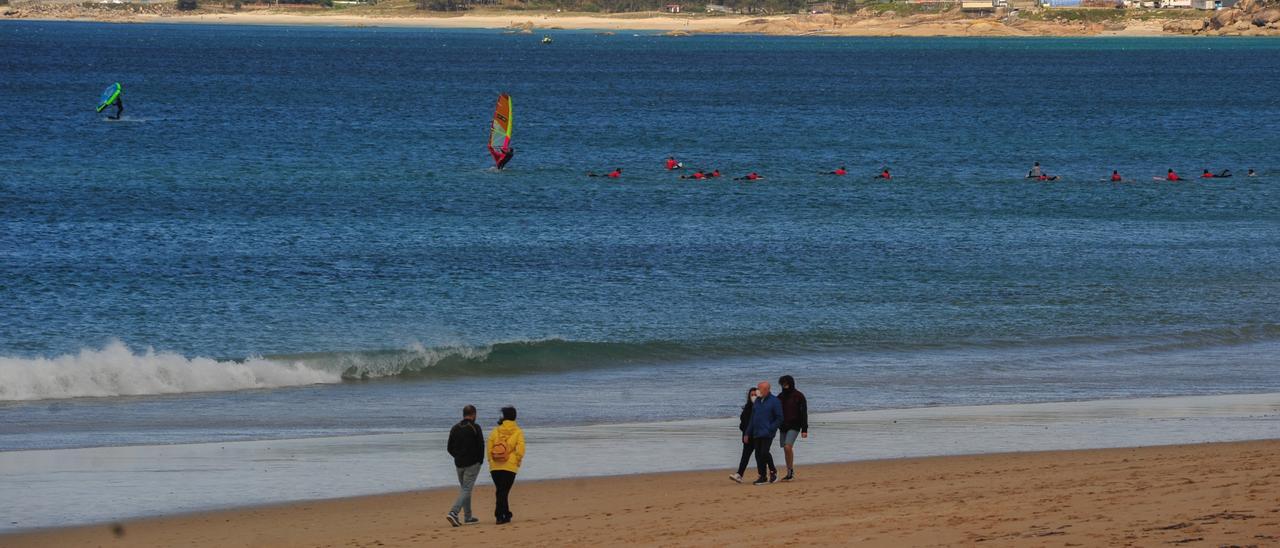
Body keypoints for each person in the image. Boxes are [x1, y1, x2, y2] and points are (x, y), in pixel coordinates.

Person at [446, 405, 485, 527]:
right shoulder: (475, 427)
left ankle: (468, 516)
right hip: (472, 463)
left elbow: (449, 448)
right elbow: (481, 445)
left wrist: (457, 456)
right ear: (473, 414)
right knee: (466, 489)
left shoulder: (455, 428)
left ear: (463, 414)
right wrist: (480, 461)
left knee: (465, 489)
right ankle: (454, 512)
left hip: (459, 463)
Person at [487, 406, 525, 524]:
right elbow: (520, 450)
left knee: (501, 491)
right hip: (510, 466)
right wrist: (517, 462)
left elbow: (489, 448)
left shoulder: (495, 431)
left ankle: (506, 514)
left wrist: (490, 461)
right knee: (503, 491)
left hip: (495, 466)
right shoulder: (518, 432)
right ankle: (499, 515)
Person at [744, 381, 783, 485]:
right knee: (758, 454)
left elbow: (779, 418)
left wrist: (771, 428)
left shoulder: (775, 401)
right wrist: (747, 433)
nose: (757, 390)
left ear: (766, 389)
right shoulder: (757, 401)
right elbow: (752, 418)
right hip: (757, 432)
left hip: (768, 432)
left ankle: (773, 472)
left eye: (759, 389)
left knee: (764, 452)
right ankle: (762, 476)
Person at [776, 375, 808, 482]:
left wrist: (804, 429)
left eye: (786, 384)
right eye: (782, 384)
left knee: (787, 447)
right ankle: (789, 471)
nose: (785, 386)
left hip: (795, 425)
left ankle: (790, 472)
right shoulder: (780, 397)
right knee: (785, 449)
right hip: (783, 426)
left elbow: (804, 413)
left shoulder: (799, 396)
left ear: (791, 383)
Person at [729, 386, 758, 483]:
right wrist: (744, 431)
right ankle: (739, 474)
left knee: (763, 455)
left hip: (759, 436)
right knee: (745, 456)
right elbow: (743, 423)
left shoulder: (761, 407)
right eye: (752, 395)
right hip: (747, 437)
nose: (753, 396)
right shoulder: (747, 408)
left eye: (755, 395)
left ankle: (771, 472)